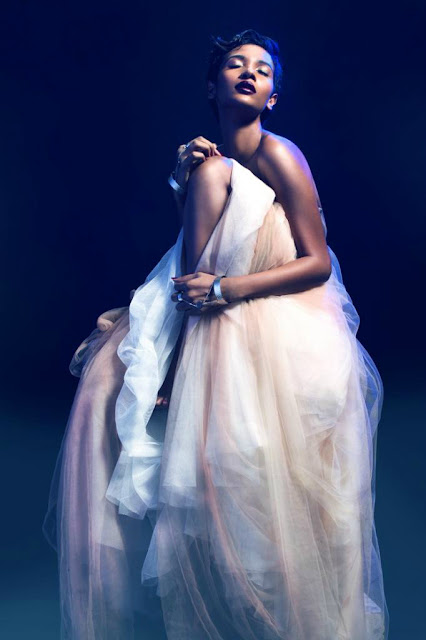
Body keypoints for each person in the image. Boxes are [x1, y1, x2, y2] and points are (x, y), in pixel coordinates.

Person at [42, 28, 389, 640]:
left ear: (273, 97)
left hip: (278, 325)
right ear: (213, 86)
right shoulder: (212, 168)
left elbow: (316, 262)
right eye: (235, 64)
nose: (250, 72)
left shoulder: (281, 155)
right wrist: (183, 184)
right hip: (217, 318)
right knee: (119, 409)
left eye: (263, 69)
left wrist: (226, 290)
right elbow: (199, 254)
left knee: (268, 503)